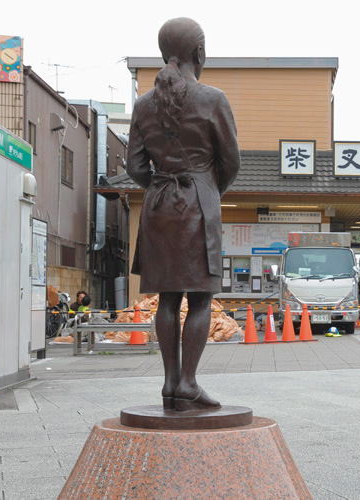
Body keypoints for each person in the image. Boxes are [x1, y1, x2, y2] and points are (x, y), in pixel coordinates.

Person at [127, 17, 241, 411]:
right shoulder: (212, 99)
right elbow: (231, 161)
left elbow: (134, 167)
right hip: (198, 203)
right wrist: (207, 190)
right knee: (201, 297)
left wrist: (162, 184)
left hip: (158, 205)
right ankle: (189, 382)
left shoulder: (143, 104)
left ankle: (170, 382)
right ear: (199, 53)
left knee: (168, 298)